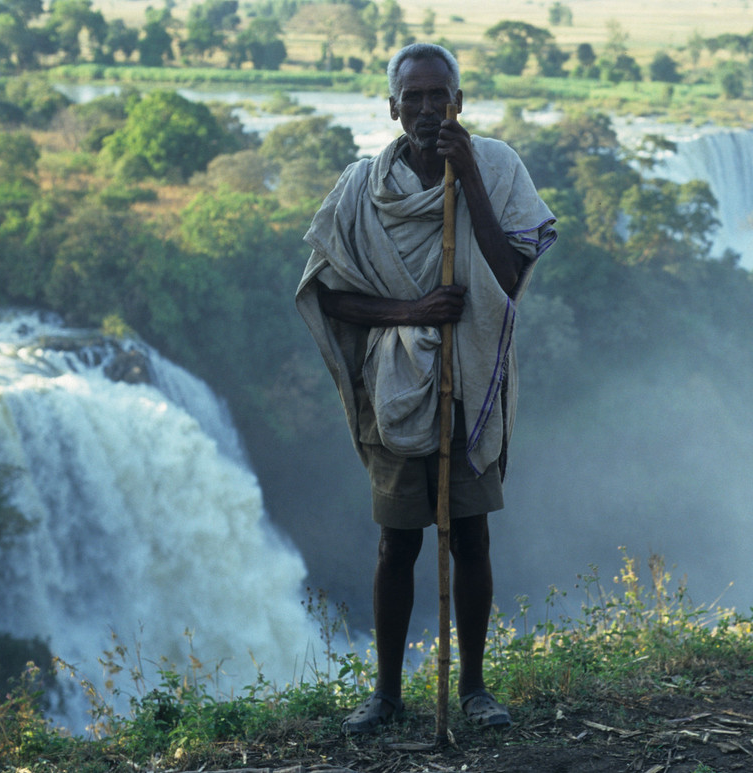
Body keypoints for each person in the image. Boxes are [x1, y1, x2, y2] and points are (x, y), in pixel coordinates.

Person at [294, 43, 556, 734]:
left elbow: (508, 276)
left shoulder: (495, 167)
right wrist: (412, 313)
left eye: (440, 95)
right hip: (398, 388)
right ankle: (385, 694)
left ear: (460, 102)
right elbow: (331, 296)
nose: (427, 108)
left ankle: (473, 688)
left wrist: (465, 173)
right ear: (391, 107)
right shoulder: (362, 188)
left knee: (471, 536)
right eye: (413, 96)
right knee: (396, 544)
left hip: (470, 380)